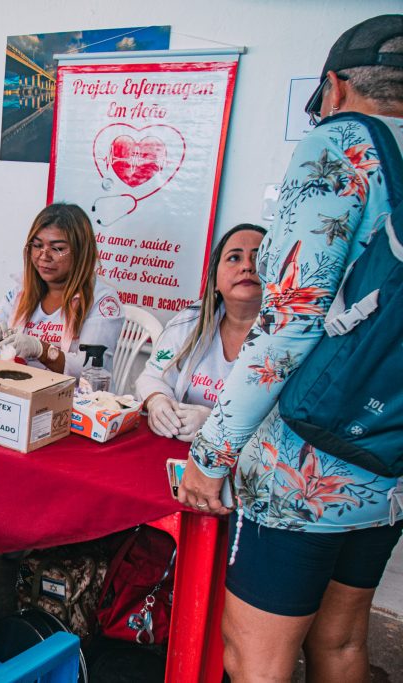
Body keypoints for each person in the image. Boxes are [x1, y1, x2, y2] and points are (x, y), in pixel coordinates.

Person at [179, 16, 403, 682]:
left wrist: (211, 453)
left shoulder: (342, 146)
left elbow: (291, 324)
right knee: (339, 643)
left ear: (334, 87)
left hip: (308, 466)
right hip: (388, 459)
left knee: (255, 655)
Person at [136, 224, 266, 441]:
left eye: (260, 257)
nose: (247, 266)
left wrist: (215, 422)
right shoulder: (190, 321)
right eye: (234, 258)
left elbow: (285, 422)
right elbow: (152, 377)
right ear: (214, 279)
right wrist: (157, 400)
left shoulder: (292, 337)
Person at [0, 203, 124, 376]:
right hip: (23, 393)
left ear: (81, 252)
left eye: (57, 248)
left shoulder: (103, 301)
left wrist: (42, 350)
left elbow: (91, 371)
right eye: (37, 245)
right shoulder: (21, 291)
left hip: (74, 400)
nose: (43, 255)